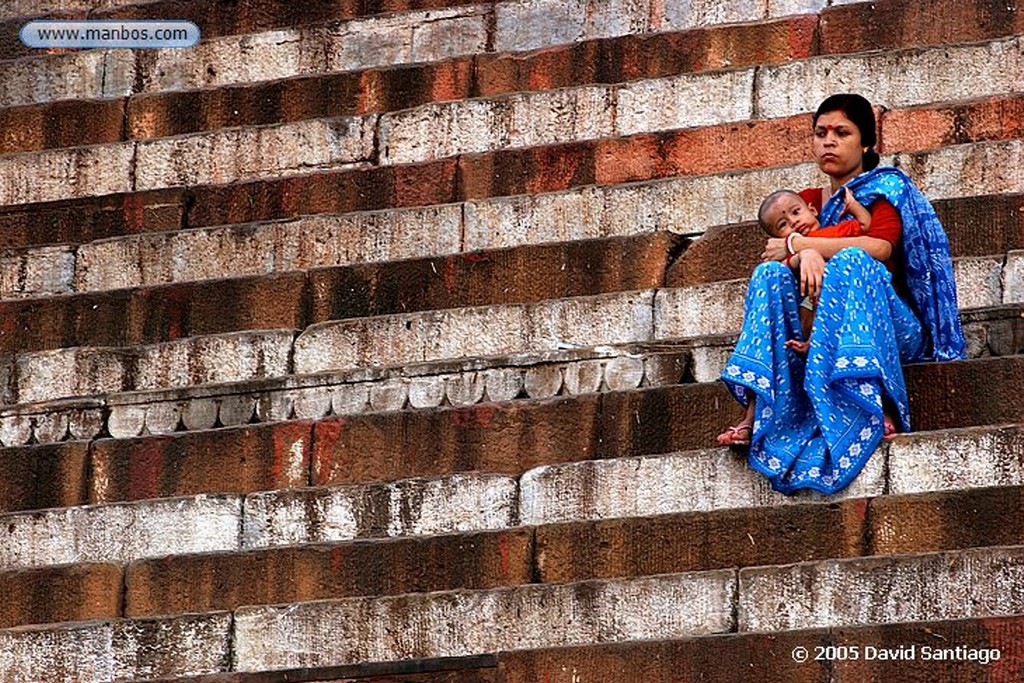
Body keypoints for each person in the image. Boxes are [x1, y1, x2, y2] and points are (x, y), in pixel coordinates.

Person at [715, 93, 965, 495]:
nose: (828, 141)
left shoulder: (882, 190)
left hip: (894, 328)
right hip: (824, 323)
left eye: (841, 132)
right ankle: (759, 412)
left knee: (853, 261)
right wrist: (798, 254)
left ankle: (870, 405)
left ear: (865, 143)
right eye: (821, 133)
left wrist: (803, 248)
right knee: (767, 275)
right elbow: (775, 257)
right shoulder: (805, 204)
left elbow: (880, 248)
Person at [758, 187, 873, 353]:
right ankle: (811, 343)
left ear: (812, 210)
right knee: (807, 307)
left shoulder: (837, 231)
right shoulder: (791, 253)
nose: (794, 222)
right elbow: (782, 266)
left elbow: (866, 226)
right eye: (783, 225)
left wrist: (853, 205)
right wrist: (802, 254)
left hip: (849, 296)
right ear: (778, 240)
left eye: (796, 212)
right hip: (812, 299)